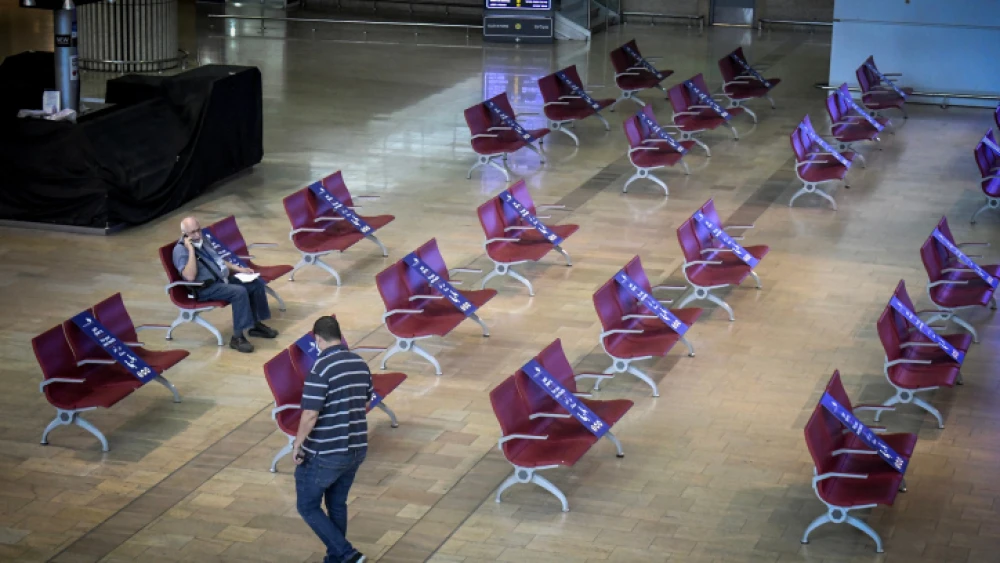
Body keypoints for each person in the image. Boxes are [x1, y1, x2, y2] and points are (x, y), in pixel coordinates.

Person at [293, 316, 372, 563]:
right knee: (337, 504)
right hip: (357, 448)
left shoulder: (320, 368)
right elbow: (367, 401)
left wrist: (298, 444)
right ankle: (336, 557)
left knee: (307, 505)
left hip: (327, 451)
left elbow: (310, 414)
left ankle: (348, 554)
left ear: (317, 339)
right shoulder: (359, 363)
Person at [172, 216, 278, 353]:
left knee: (254, 282)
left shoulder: (204, 240)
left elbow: (218, 260)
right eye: (192, 232)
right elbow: (189, 276)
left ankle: (255, 325)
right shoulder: (180, 251)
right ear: (185, 234)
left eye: (198, 230)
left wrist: (240, 269)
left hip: (222, 280)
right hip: (205, 288)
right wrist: (191, 250)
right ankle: (237, 338)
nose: (197, 235)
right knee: (239, 292)